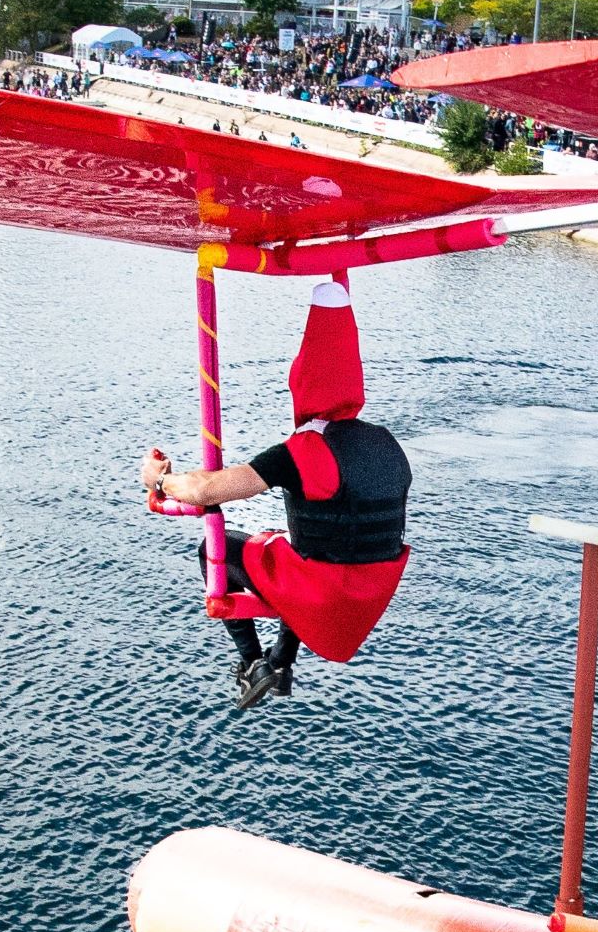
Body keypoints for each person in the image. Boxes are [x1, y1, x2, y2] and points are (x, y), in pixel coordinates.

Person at [141, 279, 413, 709]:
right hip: (367, 603)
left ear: (304, 384)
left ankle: (253, 664)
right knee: (288, 547)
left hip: (324, 599)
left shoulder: (306, 451)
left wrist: (159, 481)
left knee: (217, 548)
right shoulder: (386, 443)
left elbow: (208, 489)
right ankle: (283, 663)